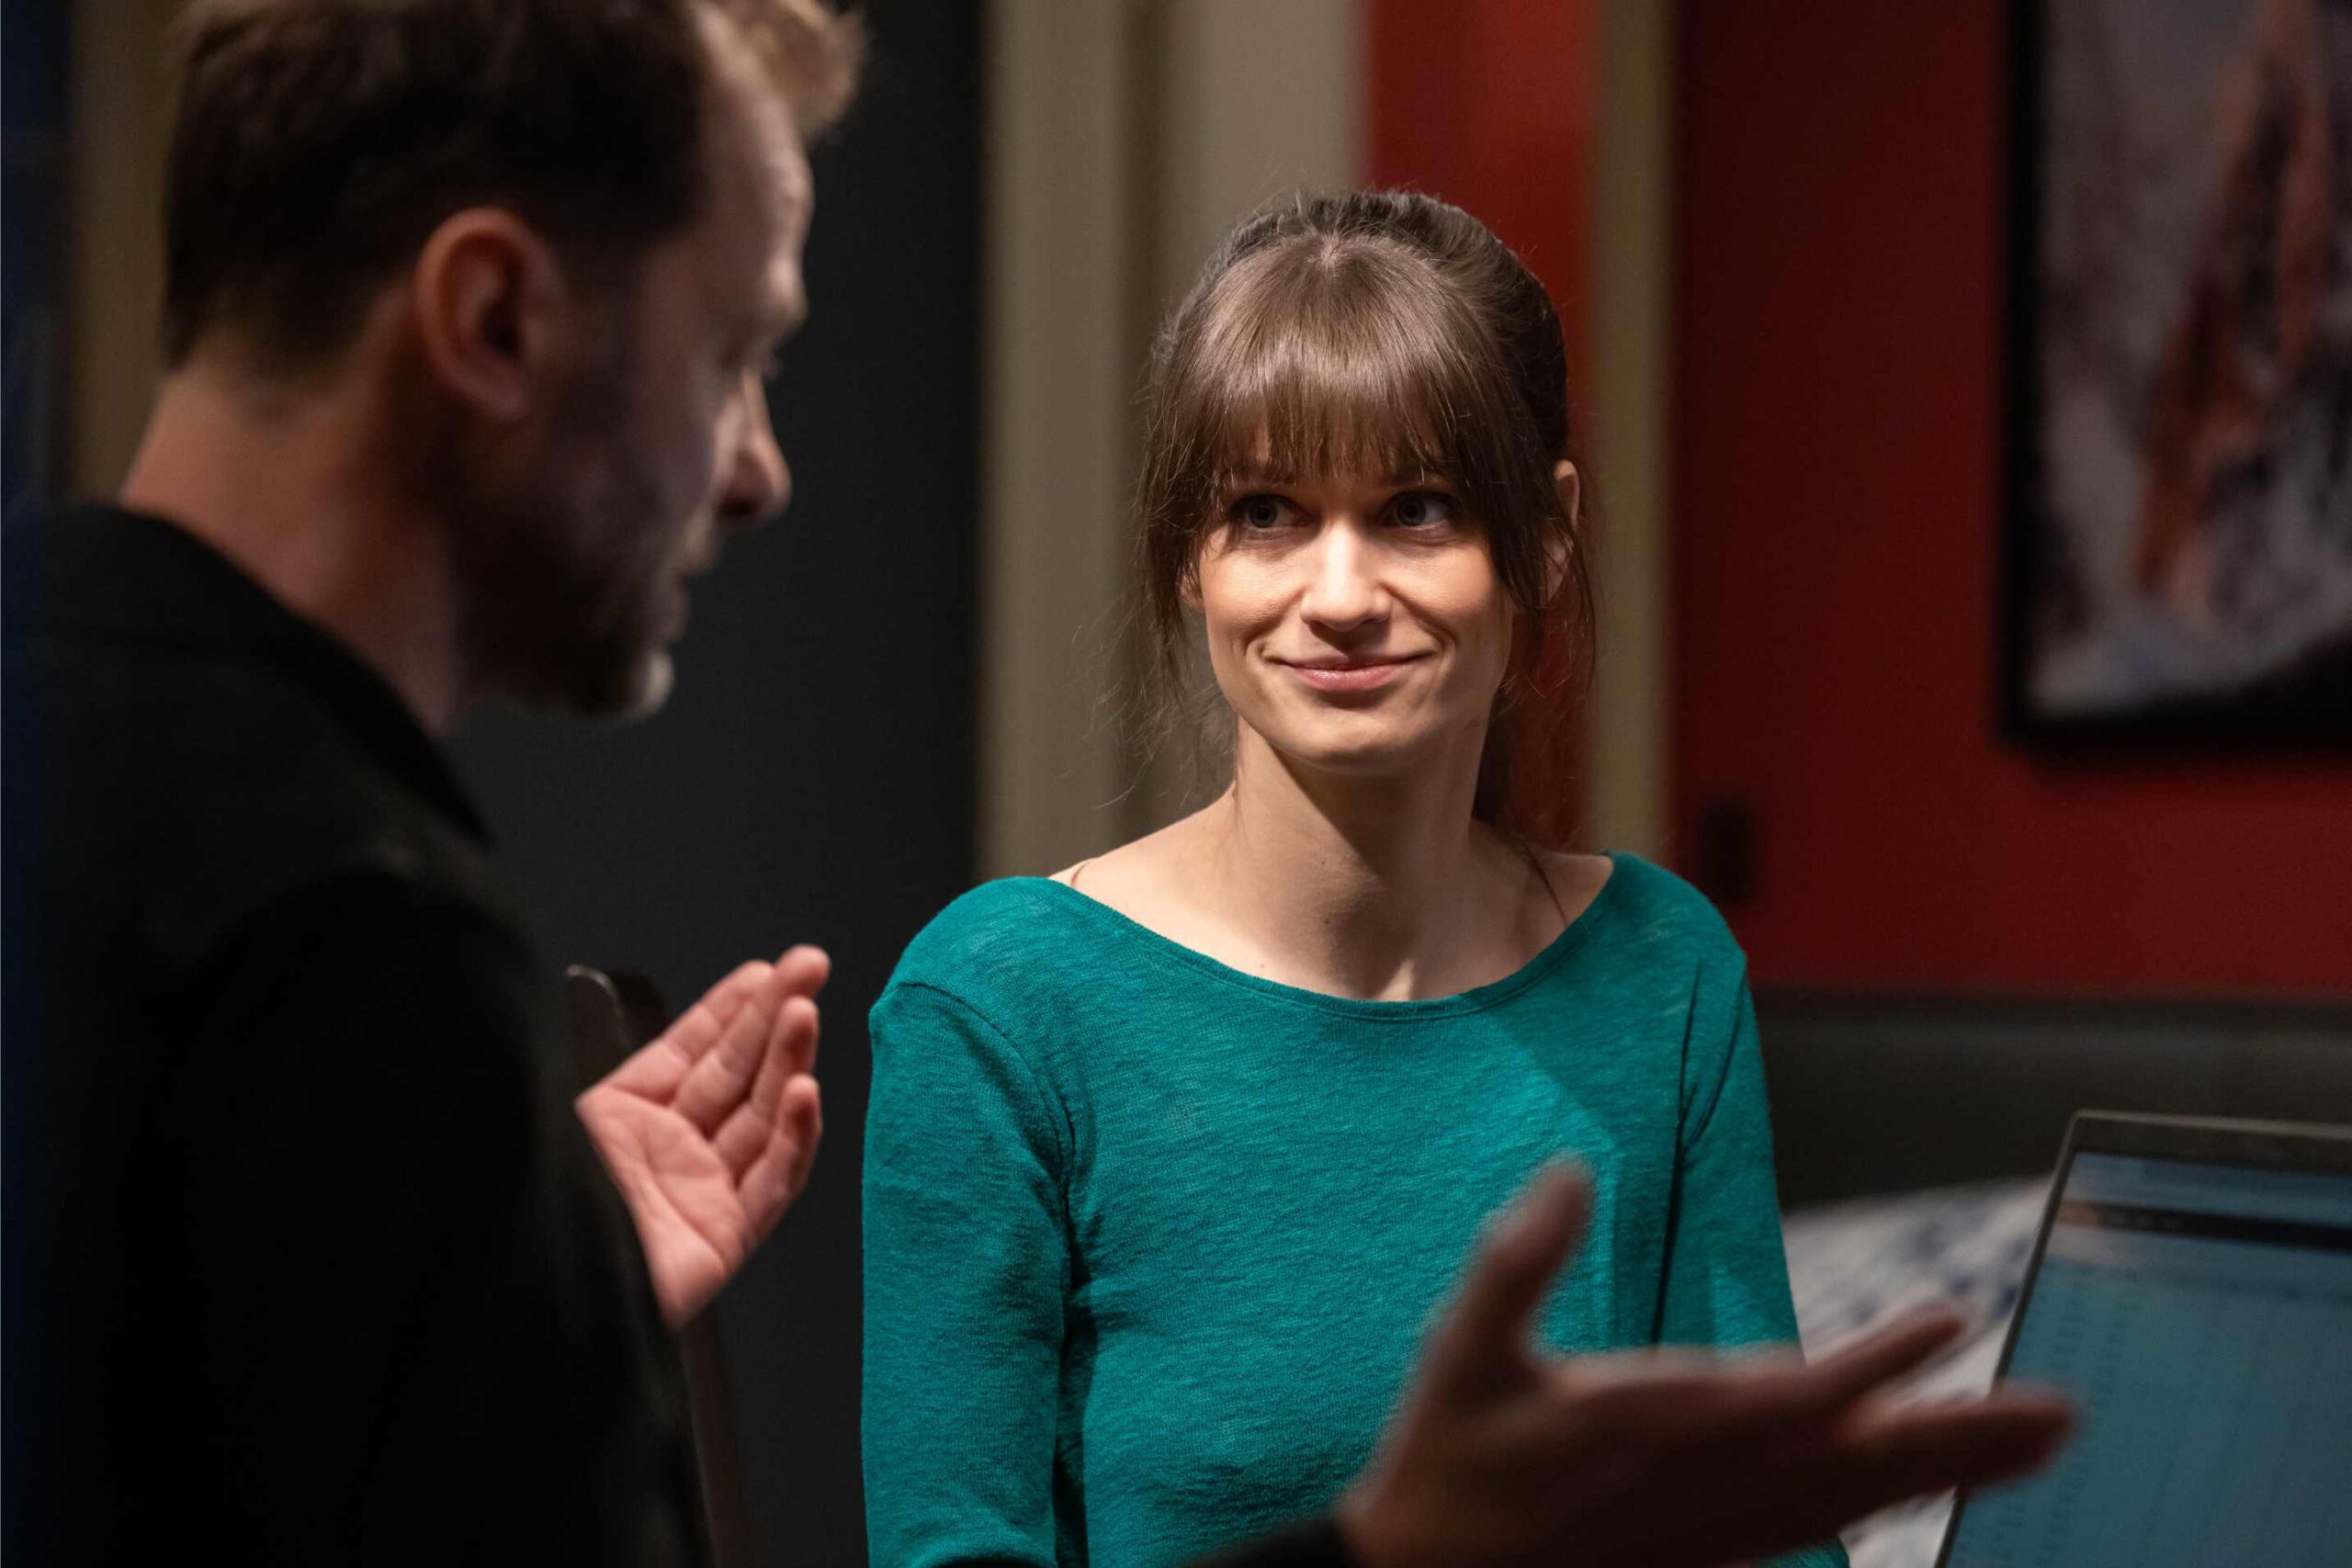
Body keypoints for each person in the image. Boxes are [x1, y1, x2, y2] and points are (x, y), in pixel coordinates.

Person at [2, 5, 2062, 1566]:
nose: (758, 465)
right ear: (492, 316)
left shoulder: (243, 843)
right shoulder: (318, 912)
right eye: (729, 353)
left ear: (1540, 544)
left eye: (1421, 509)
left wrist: (532, 1289)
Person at [861, 191, 2065, 1567]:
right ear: (1193, 556)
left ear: (1544, 537)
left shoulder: (1660, 973)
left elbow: (1763, 1543)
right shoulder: (1003, 1008)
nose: (1338, 595)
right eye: (1266, 512)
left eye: (1415, 509)